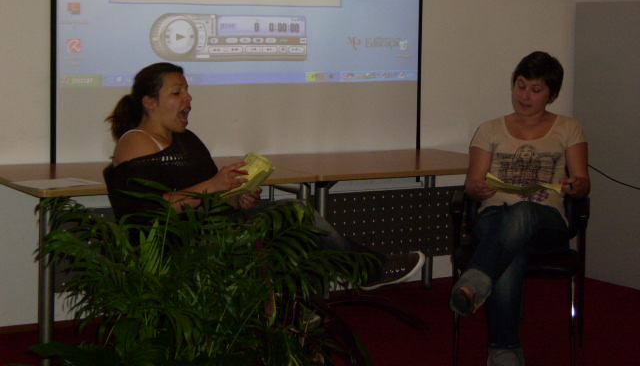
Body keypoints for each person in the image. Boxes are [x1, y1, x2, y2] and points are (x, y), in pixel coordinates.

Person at [105, 62, 424, 291]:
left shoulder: (186, 139)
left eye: (187, 91)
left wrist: (236, 198)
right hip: (176, 242)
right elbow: (144, 212)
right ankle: (369, 270)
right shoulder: (136, 141)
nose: (188, 98)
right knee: (294, 218)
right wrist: (213, 186)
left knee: (297, 216)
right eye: (177, 92)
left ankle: (309, 314)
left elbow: (211, 198)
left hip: (214, 228)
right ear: (149, 103)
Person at [449, 51, 590, 366]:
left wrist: (575, 185)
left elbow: (583, 183)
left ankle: (476, 282)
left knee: (523, 212)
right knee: (510, 250)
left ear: (551, 94)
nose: (524, 96)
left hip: (546, 223)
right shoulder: (489, 129)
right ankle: (505, 352)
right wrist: (477, 189)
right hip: (493, 218)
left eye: (535, 89)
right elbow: (472, 184)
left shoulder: (569, 128)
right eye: (520, 86)